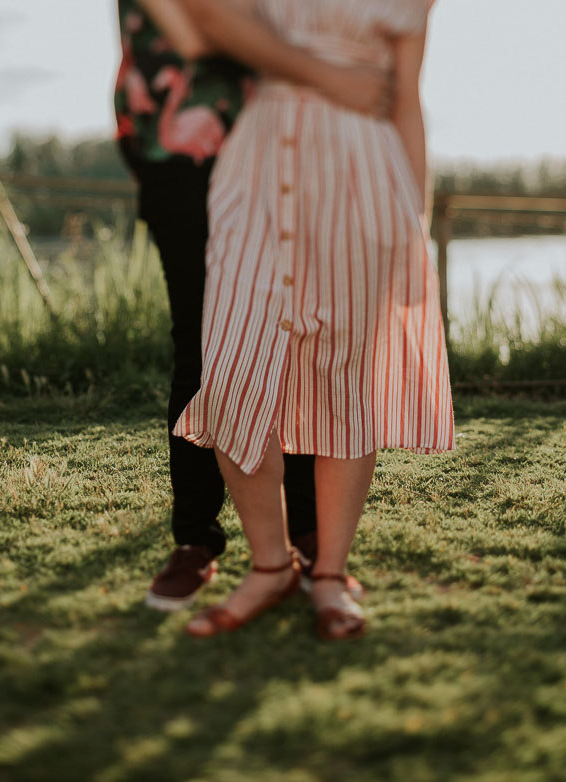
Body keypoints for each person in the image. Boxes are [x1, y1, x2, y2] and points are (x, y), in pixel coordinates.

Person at [162, 0, 454, 641]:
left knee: (345, 377)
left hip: (362, 171)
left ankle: (328, 575)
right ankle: (270, 564)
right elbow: (202, 25)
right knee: (232, 374)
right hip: (258, 164)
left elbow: (406, 97)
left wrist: (417, 228)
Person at [114, 0, 389, 611]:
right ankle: (196, 540)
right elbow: (200, 31)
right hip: (183, 159)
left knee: (295, 336)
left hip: (288, 154)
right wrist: (336, 73)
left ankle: (308, 536)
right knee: (203, 346)